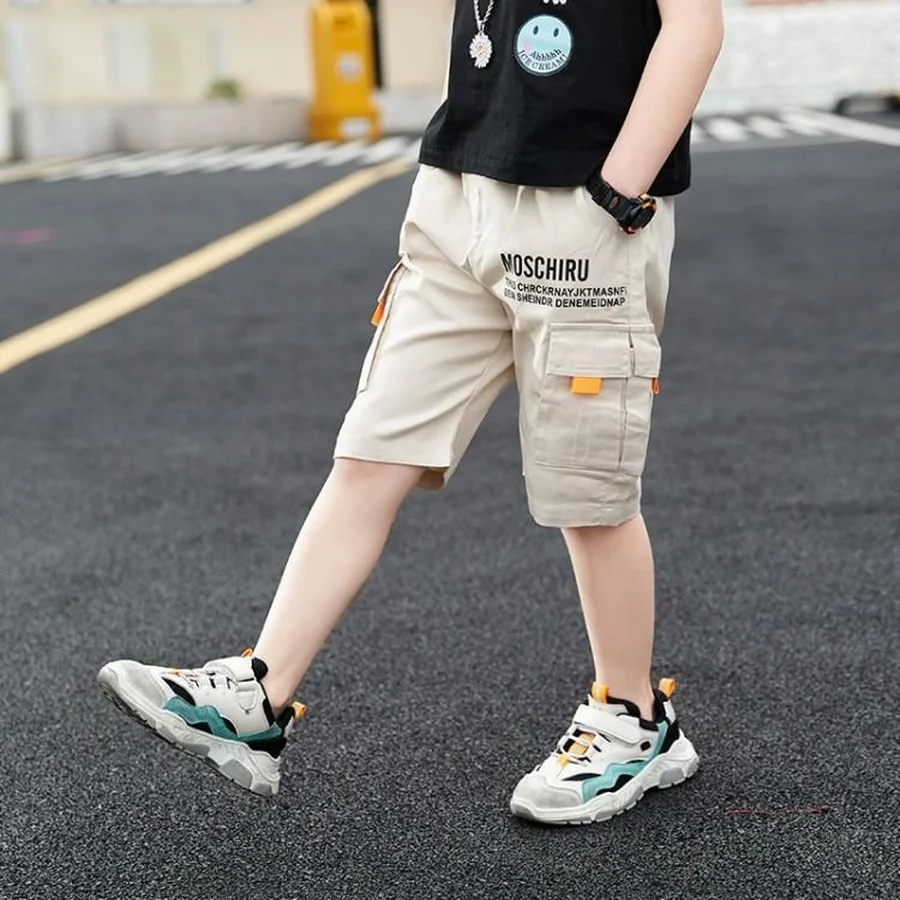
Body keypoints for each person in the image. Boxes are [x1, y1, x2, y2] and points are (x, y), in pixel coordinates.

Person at [98, 0, 724, 824]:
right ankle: (258, 695)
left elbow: (695, 24)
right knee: (373, 447)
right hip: (459, 192)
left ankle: (633, 719)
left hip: (585, 208)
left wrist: (615, 193)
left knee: (587, 491)